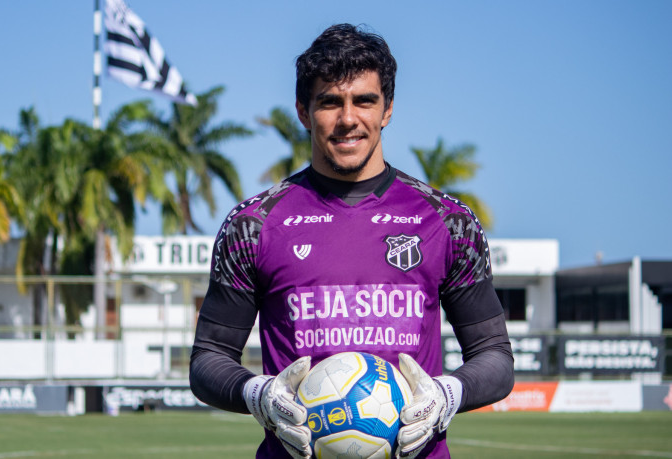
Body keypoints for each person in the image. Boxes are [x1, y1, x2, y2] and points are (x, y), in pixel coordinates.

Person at [189, 23, 514, 458]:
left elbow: (494, 356)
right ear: (304, 113)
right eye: (329, 102)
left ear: (388, 109)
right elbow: (209, 358)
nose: (347, 119)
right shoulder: (253, 225)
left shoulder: (447, 221)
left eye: (364, 100)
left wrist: (446, 396)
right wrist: (258, 395)